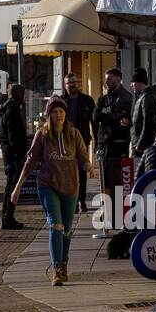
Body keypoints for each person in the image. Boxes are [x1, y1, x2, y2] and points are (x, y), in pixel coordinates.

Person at [12, 98, 91, 287]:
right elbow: (30, 162)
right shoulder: (43, 135)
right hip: (48, 186)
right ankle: (57, 268)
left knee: (67, 230)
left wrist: (88, 166)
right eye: (55, 112)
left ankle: (64, 265)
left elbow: (82, 156)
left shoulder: (74, 134)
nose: (59, 115)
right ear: (49, 115)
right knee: (56, 225)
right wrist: (18, 187)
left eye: (61, 112)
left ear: (66, 114)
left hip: (70, 187)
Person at [92, 68, 133, 234]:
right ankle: (108, 216)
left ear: (118, 79)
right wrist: (112, 113)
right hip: (104, 144)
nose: (107, 82)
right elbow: (96, 117)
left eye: (110, 79)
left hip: (119, 145)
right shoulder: (103, 99)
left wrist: (109, 114)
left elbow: (125, 114)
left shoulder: (126, 97)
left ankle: (118, 217)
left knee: (119, 183)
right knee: (105, 183)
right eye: (106, 79)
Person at [62, 71, 96, 213]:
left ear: (79, 83)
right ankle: (72, 202)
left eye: (74, 82)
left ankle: (82, 201)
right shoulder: (61, 101)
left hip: (82, 141)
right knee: (69, 173)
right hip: (65, 142)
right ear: (65, 85)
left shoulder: (87, 100)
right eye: (69, 83)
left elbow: (94, 123)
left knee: (82, 172)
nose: (72, 85)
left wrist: (97, 141)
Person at [0, 83, 29, 230]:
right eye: (23, 94)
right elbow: (13, 137)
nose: (25, 97)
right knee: (11, 187)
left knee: (11, 186)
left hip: (10, 154)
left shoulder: (9, 109)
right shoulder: (13, 111)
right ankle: (7, 218)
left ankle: (7, 217)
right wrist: (19, 154)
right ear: (18, 95)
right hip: (13, 156)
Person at [129, 68, 156, 159]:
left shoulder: (146, 98)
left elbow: (148, 123)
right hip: (141, 146)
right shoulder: (143, 97)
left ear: (140, 82)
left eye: (133, 82)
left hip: (143, 148)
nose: (131, 85)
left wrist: (140, 145)